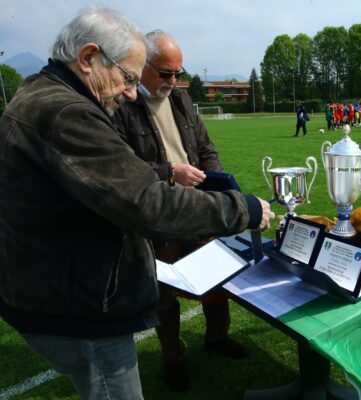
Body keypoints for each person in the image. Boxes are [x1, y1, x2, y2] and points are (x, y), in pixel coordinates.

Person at [0, 8, 275, 400]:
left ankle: (213, 339)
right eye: (129, 77)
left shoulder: (40, 93)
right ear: (88, 57)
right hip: (78, 307)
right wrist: (243, 209)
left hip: (59, 292)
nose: (131, 92)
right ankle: (173, 357)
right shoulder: (66, 111)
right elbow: (148, 203)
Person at [114, 30, 246, 392]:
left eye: (178, 73)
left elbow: (205, 147)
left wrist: (215, 183)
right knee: (165, 293)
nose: (173, 82)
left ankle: (216, 338)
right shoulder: (120, 105)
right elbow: (122, 168)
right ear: (142, 65)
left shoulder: (183, 100)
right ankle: (173, 357)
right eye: (165, 73)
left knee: (217, 279)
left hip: (198, 209)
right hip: (157, 215)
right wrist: (170, 172)